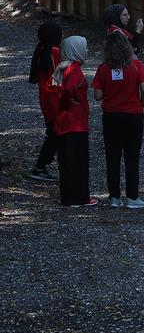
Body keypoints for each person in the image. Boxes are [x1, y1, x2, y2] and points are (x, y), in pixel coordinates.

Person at [93, 31, 144, 209]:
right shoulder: (136, 65)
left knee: (113, 157)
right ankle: (132, 197)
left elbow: (97, 95)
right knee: (132, 156)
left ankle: (114, 197)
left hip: (111, 116)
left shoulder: (103, 68)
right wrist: (141, 103)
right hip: (133, 114)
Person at [47, 36, 96, 207]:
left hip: (62, 121)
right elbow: (69, 89)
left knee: (66, 162)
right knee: (79, 161)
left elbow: (52, 89)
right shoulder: (74, 69)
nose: (87, 51)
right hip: (76, 122)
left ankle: (67, 197)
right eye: (84, 47)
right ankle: (80, 197)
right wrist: (69, 102)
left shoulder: (60, 68)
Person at [28, 21, 63, 181]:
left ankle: (41, 166)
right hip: (53, 98)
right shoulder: (53, 51)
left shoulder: (42, 49)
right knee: (55, 134)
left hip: (46, 96)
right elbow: (57, 77)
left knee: (53, 132)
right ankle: (40, 167)